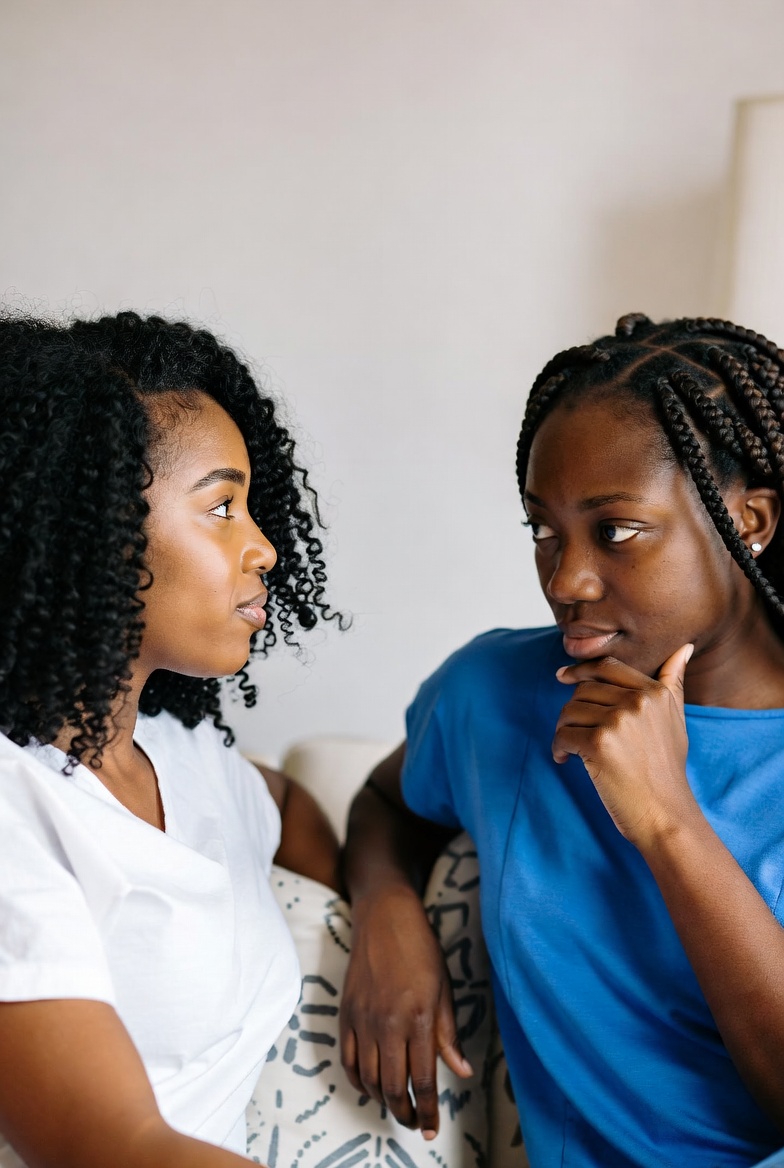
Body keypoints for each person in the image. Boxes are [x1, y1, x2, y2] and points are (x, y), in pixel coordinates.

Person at [341, 313, 784, 1168]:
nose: (566, 580)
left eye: (615, 531)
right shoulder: (498, 694)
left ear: (751, 521)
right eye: (544, 531)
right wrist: (387, 914)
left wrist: (667, 821)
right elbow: (385, 803)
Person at [0, 312, 345, 1168]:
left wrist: (384, 923)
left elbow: (292, 807)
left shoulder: (186, 757)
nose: (262, 546)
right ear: (91, 527)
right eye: (221, 507)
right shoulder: (15, 804)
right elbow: (119, 1146)